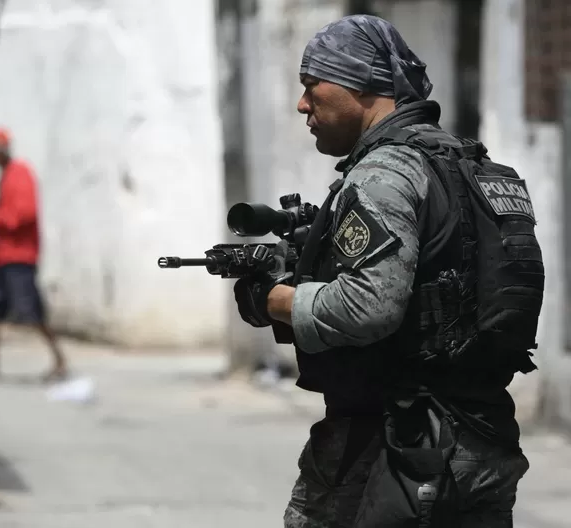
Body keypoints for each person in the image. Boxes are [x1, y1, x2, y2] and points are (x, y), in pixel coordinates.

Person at [231, 15, 543, 527]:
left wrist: (273, 300)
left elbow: (366, 307)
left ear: (363, 85)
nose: (302, 104)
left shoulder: (383, 173)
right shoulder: (475, 171)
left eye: (313, 86)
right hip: (482, 440)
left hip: (395, 446)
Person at [0, 127, 68, 381]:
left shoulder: (20, 173)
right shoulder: (6, 175)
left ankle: (59, 358)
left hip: (20, 256)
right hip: (5, 255)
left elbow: (25, 214)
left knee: (32, 311)